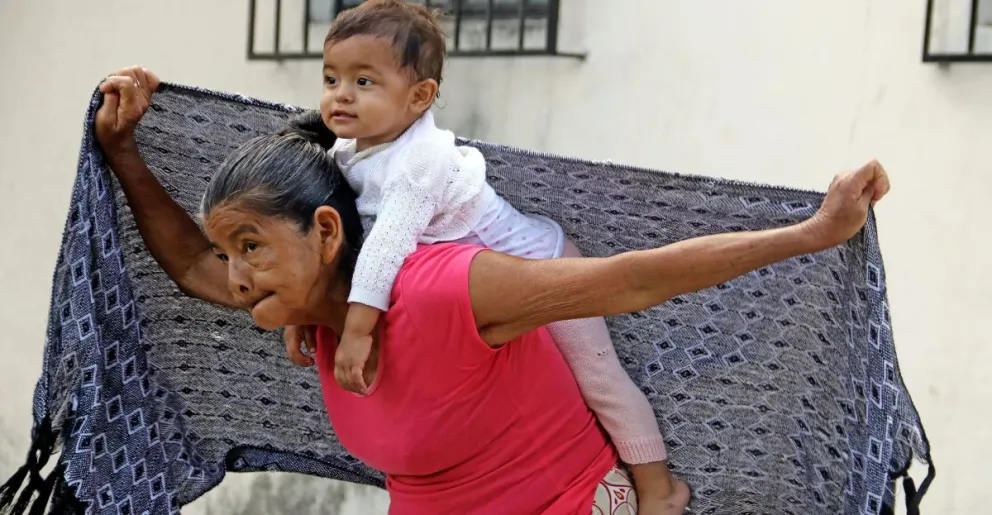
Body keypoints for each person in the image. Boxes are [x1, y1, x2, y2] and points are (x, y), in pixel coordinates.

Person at [95, 66, 889, 514]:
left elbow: (634, 280)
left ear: (328, 234)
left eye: (251, 247)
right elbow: (190, 268)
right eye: (232, 252)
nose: (233, 273)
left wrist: (811, 234)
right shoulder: (318, 315)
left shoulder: (449, 292)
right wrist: (124, 151)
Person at [286, 0, 681, 504]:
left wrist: (358, 331)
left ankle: (660, 489)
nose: (341, 94)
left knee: (599, 380)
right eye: (331, 79)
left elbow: (386, 245)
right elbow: (330, 249)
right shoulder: (343, 154)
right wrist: (304, 310)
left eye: (364, 82)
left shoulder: (423, 158)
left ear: (419, 96)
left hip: (544, 266)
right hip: (477, 295)